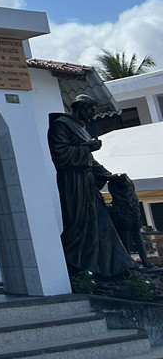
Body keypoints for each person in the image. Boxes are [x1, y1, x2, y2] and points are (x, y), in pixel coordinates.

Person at [48, 94, 135, 278]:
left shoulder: (81, 128)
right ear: (79, 108)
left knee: (100, 222)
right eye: (90, 110)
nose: (92, 114)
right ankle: (76, 264)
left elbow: (90, 161)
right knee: (78, 224)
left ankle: (112, 267)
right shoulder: (61, 125)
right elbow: (60, 155)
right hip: (73, 182)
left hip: (88, 183)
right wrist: (87, 148)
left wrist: (108, 175)